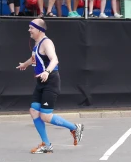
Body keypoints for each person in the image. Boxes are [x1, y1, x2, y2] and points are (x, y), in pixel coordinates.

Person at [16, 19, 84, 154]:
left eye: (31, 28)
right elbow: (35, 57)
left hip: (50, 81)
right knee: (34, 111)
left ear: (39, 29)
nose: (29, 30)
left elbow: (54, 59)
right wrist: (25, 64)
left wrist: (47, 72)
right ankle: (46, 145)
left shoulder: (47, 43)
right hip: (41, 82)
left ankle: (75, 128)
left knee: (45, 116)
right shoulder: (37, 44)